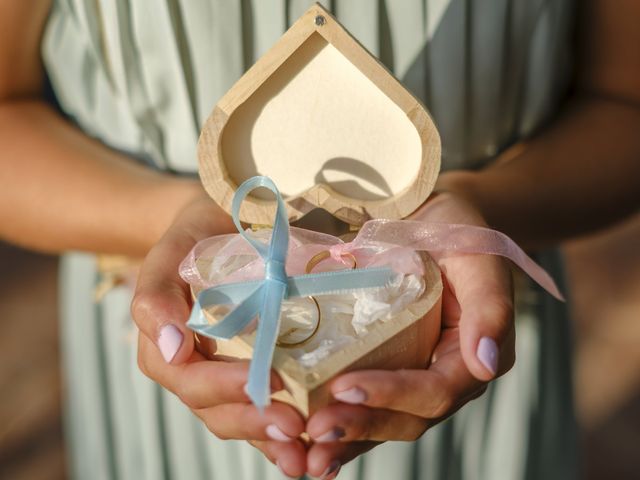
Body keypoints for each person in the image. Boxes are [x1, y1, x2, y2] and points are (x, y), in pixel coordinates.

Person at [1, 1, 639, 479]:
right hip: (187, 324)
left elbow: (625, 103)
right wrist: (175, 221)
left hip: (455, 321)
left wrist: (479, 217)